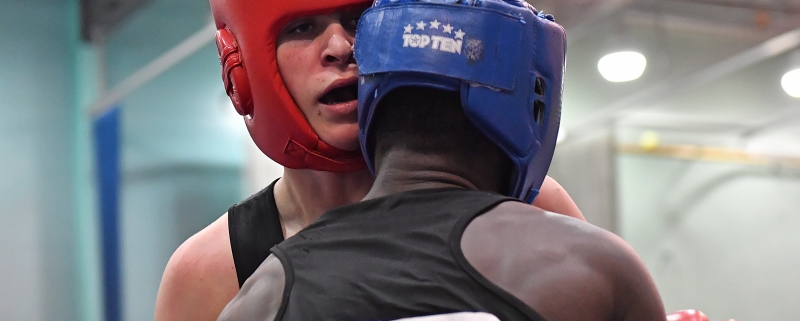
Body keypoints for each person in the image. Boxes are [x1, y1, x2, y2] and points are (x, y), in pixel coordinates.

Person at [215, 0, 665, 319]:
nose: (341, 47)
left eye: (357, 20)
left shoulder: (262, 296)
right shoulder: (215, 266)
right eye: (301, 28)